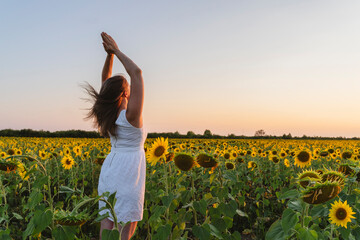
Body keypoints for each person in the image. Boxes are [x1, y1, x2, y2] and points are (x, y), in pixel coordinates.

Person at [83, 32, 147, 240]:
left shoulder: (107, 115)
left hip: (111, 171)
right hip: (130, 174)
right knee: (125, 230)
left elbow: (106, 81)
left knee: (107, 224)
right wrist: (116, 51)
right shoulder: (131, 117)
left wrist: (109, 55)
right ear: (126, 94)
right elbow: (136, 73)